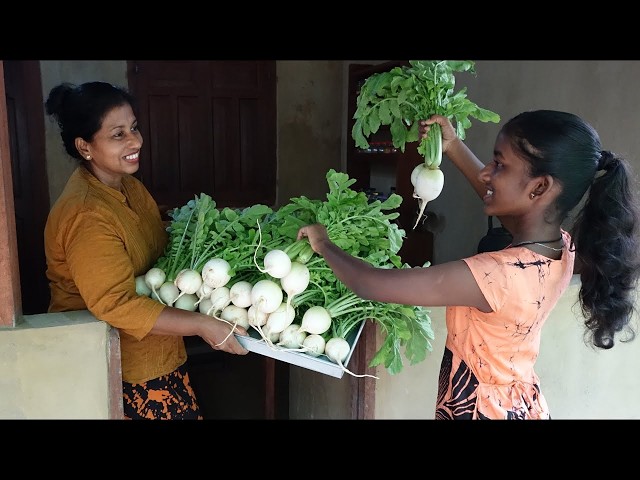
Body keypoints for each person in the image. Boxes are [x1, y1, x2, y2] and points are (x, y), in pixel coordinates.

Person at [298, 110, 640, 420]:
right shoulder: (561, 248)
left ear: (540, 187)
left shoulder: (493, 275)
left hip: (480, 409)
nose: (488, 174)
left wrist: (323, 242)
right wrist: (453, 146)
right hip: (519, 402)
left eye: (500, 165)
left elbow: (371, 284)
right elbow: (514, 208)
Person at [44, 81, 249, 420]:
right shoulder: (86, 214)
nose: (135, 141)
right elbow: (115, 304)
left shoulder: (131, 188)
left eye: (134, 128)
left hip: (160, 354)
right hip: (122, 373)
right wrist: (201, 325)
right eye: (118, 134)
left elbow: (154, 244)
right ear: (85, 147)